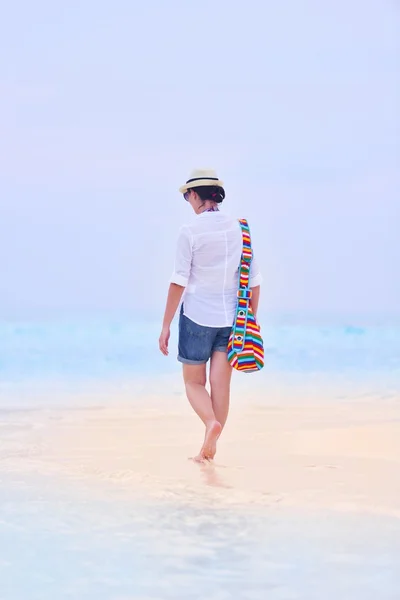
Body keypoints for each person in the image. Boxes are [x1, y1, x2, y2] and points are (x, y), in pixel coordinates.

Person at [159, 168, 262, 462]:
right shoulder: (241, 228)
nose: (187, 201)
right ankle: (209, 451)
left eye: (187, 196)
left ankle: (209, 424)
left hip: (196, 317)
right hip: (232, 320)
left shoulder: (190, 231)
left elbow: (179, 280)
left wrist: (166, 325)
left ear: (194, 195)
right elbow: (254, 281)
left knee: (193, 383)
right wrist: (250, 320)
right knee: (221, 385)